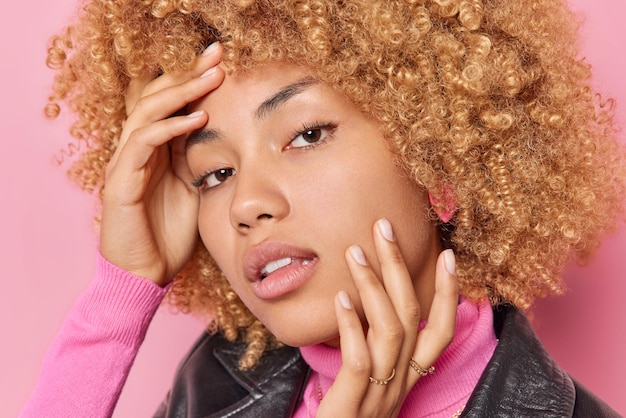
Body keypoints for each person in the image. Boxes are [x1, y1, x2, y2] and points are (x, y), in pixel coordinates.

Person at [21, 0, 625, 416]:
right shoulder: (218, 382)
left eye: (306, 134)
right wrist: (120, 295)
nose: (247, 204)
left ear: (437, 157)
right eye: (216, 174)